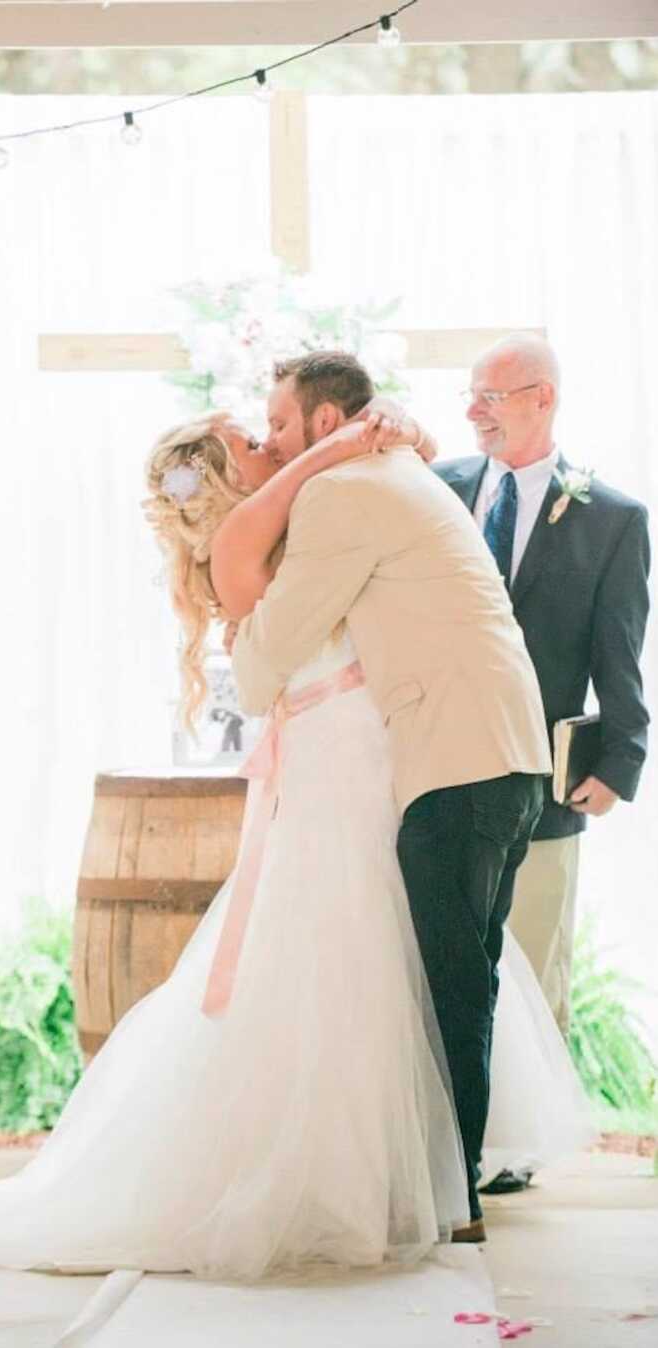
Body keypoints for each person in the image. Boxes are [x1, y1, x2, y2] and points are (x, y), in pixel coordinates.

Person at [0, 386, 587, 1290]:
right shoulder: (253, 539)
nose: (266, 440)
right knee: (350, 965)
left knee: (405, 965)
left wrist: (373, 436)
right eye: (251, 438)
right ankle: (358, 1183)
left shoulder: (312, 519)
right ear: (222, 475)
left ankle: (427, 1175)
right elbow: (256, 678)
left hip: (383, 765)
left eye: (269, 426)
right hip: (343, 772)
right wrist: (338, 449)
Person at [231, 351, 554, 1245]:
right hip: (506, 758)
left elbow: (270, 655)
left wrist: (237, 643)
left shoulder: (345, 494)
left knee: (452, 985)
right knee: (467, 979)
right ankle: (454, 1193)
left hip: (459, 761)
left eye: (283, 425)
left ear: (326, 426)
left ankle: (455, 1200)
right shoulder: (400, 469)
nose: (272, 440)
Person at [435, 333, 650, 1192]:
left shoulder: (612, 517)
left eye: (492, 396)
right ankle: (445, 1126)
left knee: (530, 956)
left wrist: (622, 756)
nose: (474, 411)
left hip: (547, 776)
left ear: (542, 399)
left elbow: (618, 653)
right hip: (441, 760)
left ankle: (515, 1147)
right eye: (472, 396)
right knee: (447, 952)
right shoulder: (435, 491)